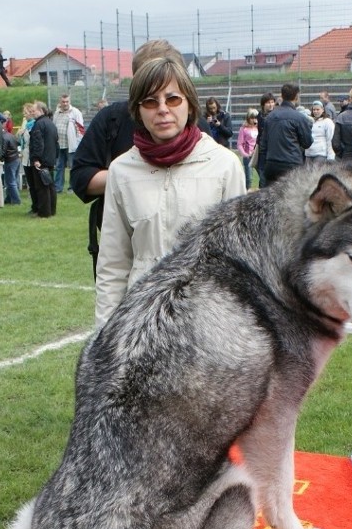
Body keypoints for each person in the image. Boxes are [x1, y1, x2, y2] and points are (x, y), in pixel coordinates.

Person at [96, 56, 245, 328]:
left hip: (206, 327)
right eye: (150, 102)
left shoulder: (225, 166)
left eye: (173, 99)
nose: (162, 109)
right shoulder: (121, 170)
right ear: (138, 111)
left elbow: (240, 263)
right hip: (141, 323)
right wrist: (105, 334)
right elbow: (113, 263)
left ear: (189, 104)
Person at [70, 39, 207, 278]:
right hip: (131, 248)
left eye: (172, 95)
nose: (163, 107)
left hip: (189, 254)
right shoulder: (111, 119)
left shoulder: (198, 127)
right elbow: (82, 177)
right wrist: (131, 176)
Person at [257, 83, 312, 186]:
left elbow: (263, 144)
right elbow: (307, 143)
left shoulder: (269, 117)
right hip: (292, 164)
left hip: (272, 163)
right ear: (296, 97)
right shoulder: (299, 118)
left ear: (281, 96)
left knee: (271, 199)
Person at [28, 100, 58, 218]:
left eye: (34, 111)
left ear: (41, 110)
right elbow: (56, 142)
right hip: (50, 158)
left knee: (41, 187)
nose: (32, 113)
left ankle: (44, 212)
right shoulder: (51, 123)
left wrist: (36, 158)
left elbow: (38, 143)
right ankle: (52, 210)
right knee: (50, 186)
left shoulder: (38, 125)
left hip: (42, 160)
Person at [53, 94, 84, 193]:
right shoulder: (57, 113)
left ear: (69, 102)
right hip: (59, 144)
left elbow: (80, 129)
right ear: (60, 102)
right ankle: (58, 188)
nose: (65, 103)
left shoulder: (75, 112)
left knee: (72, 167)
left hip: (71, 145)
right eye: (63, 102)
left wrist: (78, 143)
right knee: (59, 167)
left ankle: (72, 187)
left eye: (67, 102)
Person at [18, 102, 37, 214]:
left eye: (26, 113)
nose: (24, 115)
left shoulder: (33, 125)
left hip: (31, 156)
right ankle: (33, 205)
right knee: (30, 182)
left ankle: (36, 204)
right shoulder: (27, 124)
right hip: (25, 155)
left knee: (33, 182)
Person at [236, 108, 258, 189]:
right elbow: (239, 144)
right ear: (248, 118)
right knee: (249, 178)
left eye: (255, 118)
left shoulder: (259, 128)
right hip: (248, 156)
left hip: (258, 155)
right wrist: (245, 155)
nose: (254, 120)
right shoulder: (244, 129)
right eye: (252, 118)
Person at [2, 128, 22, 205]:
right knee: (14, 180)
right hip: (16, 158)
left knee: (10, 182)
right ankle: (9, 198)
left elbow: (3, 151)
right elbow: (18, 143)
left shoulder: (3, 138)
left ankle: (16, 200)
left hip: (10, 160)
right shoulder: (11, 135)